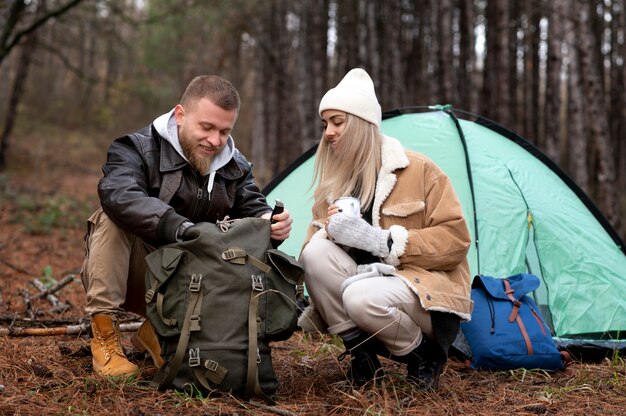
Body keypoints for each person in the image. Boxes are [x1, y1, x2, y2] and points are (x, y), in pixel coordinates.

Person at [80, 75, 292, 377]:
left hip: (193, 289)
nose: (215, 141)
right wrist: (178, 227)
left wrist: (270, 224)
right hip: (138, 274)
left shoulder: (235, 166)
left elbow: (254, 208)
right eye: (206, 127)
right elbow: (118, 194)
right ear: (180, 115)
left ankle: (158, 332)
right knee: (110, 218)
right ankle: (105, 339)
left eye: (224, 131)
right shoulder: (136, 148)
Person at [298, 68, 472, 390]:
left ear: (363, 124)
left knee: (359, 295)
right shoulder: (334, 185)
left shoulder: (419, 171)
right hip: (366, 296)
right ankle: (363, 358)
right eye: (325, 125)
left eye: (338, 122)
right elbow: (312, 257)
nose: (328, 133)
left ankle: (425, 359)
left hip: (425, 298)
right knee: (316, 254)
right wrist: (332, 234)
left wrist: (379, 241)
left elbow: (456, 242)